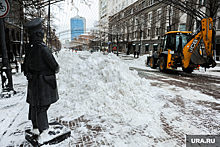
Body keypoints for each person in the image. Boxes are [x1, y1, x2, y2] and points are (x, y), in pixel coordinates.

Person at [23, 18, 59, 142]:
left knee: (34, 105)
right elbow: (54, 65)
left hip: (33, 82)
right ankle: (44, 130)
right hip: (43, 82)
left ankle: (35, 127)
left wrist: (29, 74)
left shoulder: (29, 48)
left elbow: (25, 66)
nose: (43, 32)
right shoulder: (42, 48)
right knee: (42, 107)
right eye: (42, 30)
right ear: (39, 33)